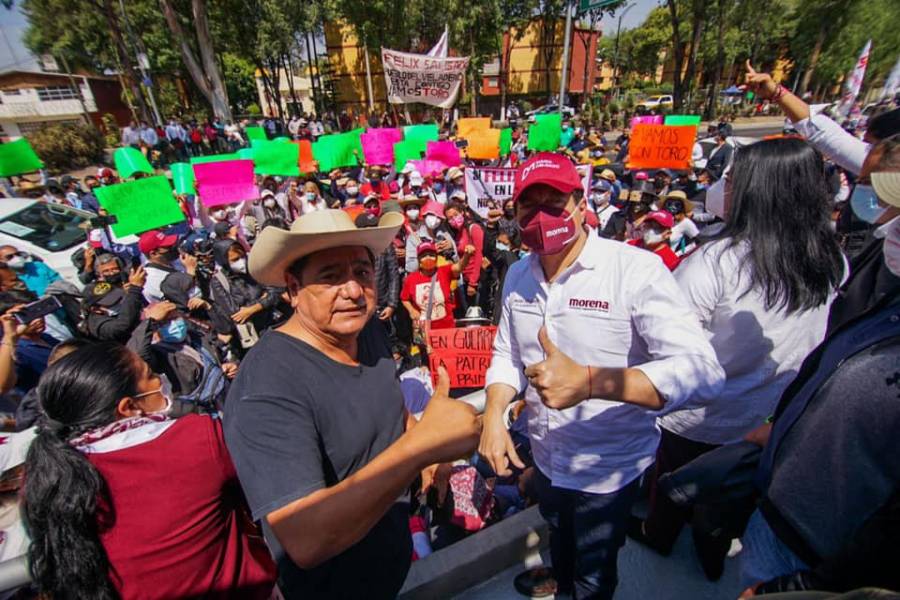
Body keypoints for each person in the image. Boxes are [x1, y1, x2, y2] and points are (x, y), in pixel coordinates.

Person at [477, 152, 724, 600]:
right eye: (527, 206)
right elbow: (506, 352)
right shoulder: (517, 274)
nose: (539, 215)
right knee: (559, 533)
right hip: (548, 457)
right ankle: (561, 577)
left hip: (608, 470)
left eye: (553, 201)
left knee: (596, 572)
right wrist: (494, 415)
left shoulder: (633, 271)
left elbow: (704, 373)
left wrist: (593, 381)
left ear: (579, 201)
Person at [223, 209, 480, 598]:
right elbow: (306, 539)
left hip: (390, 572)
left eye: (362, 272)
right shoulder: (266, 387)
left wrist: (428, 453)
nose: (354, 291)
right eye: (329, 277)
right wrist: (423, 445)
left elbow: (389, 409)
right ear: (293, 288)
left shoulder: (367, 329)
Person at [632, 138, 847, 579]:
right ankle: (711, 559)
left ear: (761, 190)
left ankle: (659, 535)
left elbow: (663, 343)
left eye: (732, 179)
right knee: (729, 497)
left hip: (700, 417)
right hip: (770, 417)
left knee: (675, 488)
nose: (723, 186)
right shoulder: (832, 258)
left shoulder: (714, 262)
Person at [21, 343, 277, 599]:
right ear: (128, 407)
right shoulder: (196, 441)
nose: (161, 380)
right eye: (151, 375)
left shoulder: (52, 470)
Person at [401, 240, 474, 331]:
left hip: (446, 329)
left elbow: (459, 267)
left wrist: (466, 255)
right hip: (423, 331)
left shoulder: (444, 271)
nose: (428, 258)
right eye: (424, 256)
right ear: (419, 259)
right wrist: (412, 310)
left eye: (431, 255)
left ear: (436, 257)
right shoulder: (411, 279)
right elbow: (404, 298)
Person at [80, 253, 146, 342]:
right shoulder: (100, 325)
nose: (111, 273)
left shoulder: (125, 280)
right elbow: (122, 327)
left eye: (114, 269)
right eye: (106, 271)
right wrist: (134, 292)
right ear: (95, 309)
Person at [355, 213, 400, 332]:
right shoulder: (354, 250)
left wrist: (392, 304)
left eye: (376, 226)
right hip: (362, 305)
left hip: (383, 305)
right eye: (370, 228)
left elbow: (393, 275)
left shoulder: (386, 245)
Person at [444, 204, 485, 309]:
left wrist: (473, 282)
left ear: (462, 212)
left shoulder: (474, 228)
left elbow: (479, 255)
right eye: (450, 218)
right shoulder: (458, 233)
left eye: (455, 215)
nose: (453, 219)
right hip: (464, 279)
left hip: (476, 280)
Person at [138, 230, 185, 303]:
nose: (173, 247)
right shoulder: (154, 279)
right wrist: (191, 271)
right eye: (167, 246)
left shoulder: (173, 262)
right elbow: (185, 300)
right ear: (154, 253)